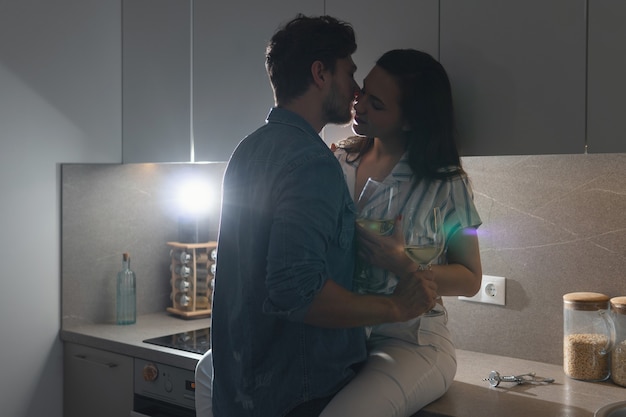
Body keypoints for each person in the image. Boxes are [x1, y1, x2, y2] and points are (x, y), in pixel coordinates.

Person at [195, 18, 438, 417]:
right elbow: (296, 291)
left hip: (243, 390)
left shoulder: (248, 150)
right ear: (320, 73)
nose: (357, 89)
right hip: (298, 392)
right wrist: (395, 306)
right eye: (350, 71)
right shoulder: (312, 163)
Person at [320, 49, 483, 417]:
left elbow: (471, 278)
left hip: (412, 341)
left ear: (410, 121)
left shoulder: (446, 183)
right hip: (341, 331)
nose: (358, 105)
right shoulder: (336, 162)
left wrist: (402, 262)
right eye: (362, 91)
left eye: (375, 104)